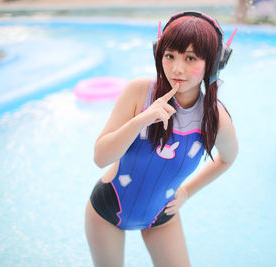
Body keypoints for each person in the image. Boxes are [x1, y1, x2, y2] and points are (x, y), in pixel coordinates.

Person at [85, 11, 239, 267]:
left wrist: (187, 192)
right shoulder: (140, 92)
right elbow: (100, 157)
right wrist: (141, 120)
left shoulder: (215, 118)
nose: (177, 68)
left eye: (191, 58)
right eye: (170, 55)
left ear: (212, 63)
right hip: (107, 209)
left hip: (162, 215)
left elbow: (227, 159)